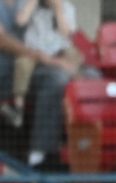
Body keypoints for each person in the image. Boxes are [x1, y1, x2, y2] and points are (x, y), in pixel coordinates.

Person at [0, 0, 73, 166]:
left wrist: (60, 57)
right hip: (4, 71)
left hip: (33, 68)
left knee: (59, 78)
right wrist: (41, 56)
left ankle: (41, 153)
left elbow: (53, 33)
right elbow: (2, 39)